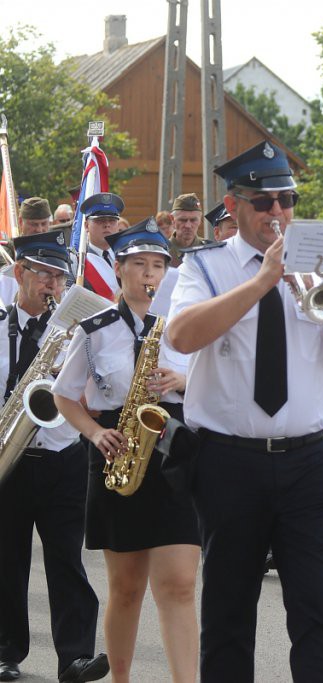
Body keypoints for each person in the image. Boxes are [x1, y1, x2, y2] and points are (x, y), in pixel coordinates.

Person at [165, 140, 323, 682]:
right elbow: (181, 334)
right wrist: (262, 281)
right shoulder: (208, 267)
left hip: (308, 463)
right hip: (226, 464)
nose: (278, 214)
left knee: (317, 616)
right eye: (264, 203)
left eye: (286, 201)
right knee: (227, 617)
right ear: (235, 204)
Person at [52, 219, 199, 683]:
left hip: (174, 447)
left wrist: (183, 379)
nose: (150, 275)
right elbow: (63, 394)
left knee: (179, 584)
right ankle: (121, 679)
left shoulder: (184, 328)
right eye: (139, 265)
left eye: (158, 265)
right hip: (116, 447)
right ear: (119, 270)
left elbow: (219, 387)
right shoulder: (95, 329)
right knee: (127, 586)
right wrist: (94, 434)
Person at [0, 230, 109, 683]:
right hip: (10, 457)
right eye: (43, 274)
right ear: (19, 273)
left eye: (59, 278)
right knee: (6, 560)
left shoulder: (77, 332)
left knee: (67, 560)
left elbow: (99, 396)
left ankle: (75, 657)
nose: (51, 285)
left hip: (62, 456)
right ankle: (6, 652)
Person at [79, 193, 123, 300]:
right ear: (86, 225)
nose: (107, 225)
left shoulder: (127, 257)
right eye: (100, 220)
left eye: (112, 220)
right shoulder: (78, 261)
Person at [167, 193, 210, 268]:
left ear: (200, 220)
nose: (188, 226)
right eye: (183, 220)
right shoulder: (162, 251)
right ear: (172, 220)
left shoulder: (209, 250)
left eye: (193, 220)